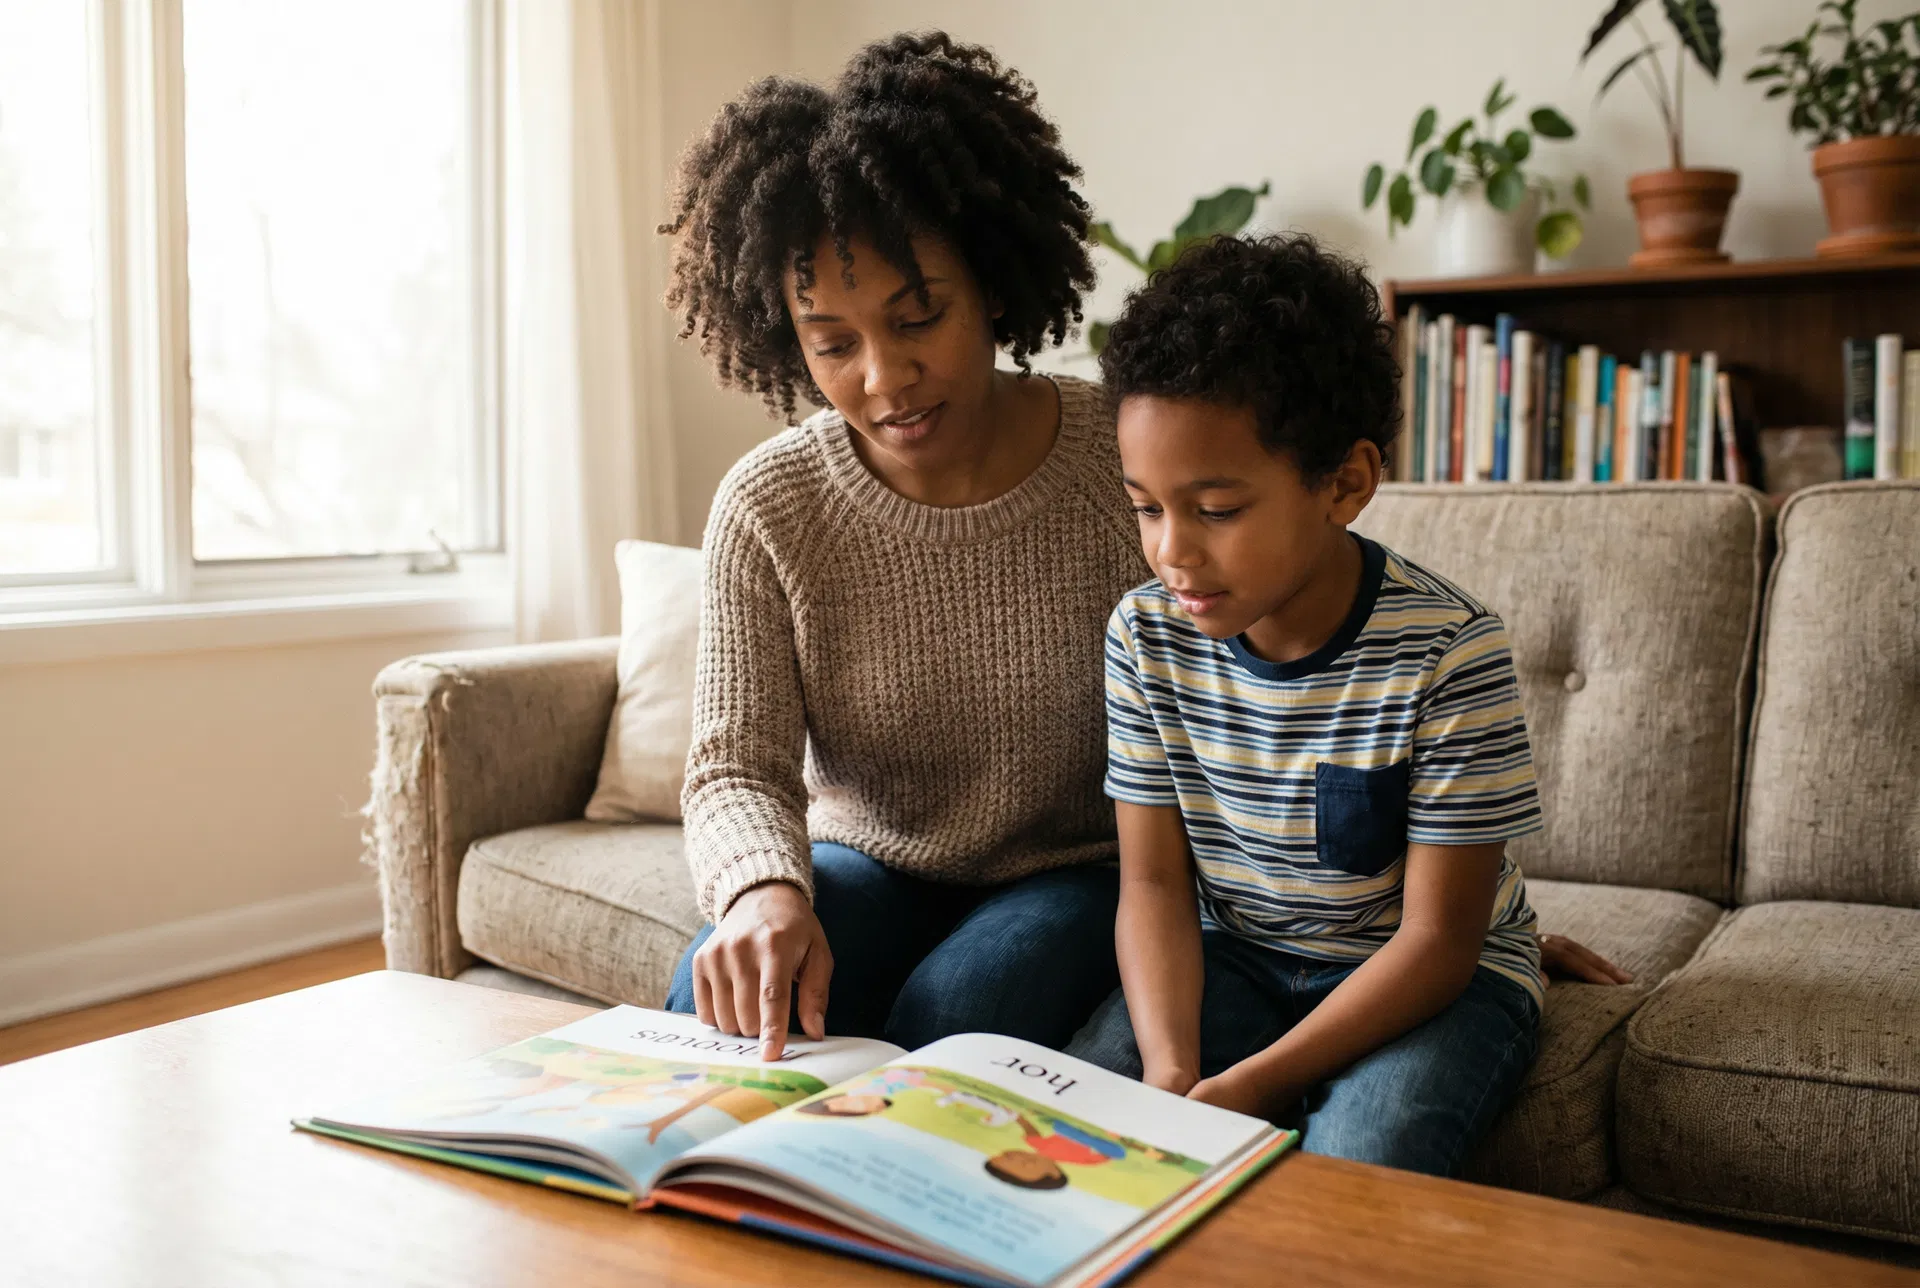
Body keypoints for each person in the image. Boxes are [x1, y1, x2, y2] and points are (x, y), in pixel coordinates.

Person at [655, 32, 1627, 1067]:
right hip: (870, 858)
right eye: (834, 341)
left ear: (992, 279)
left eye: (918, 316)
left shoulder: (1125, 463)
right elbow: (732, 766)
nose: (885, 377)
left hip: (1083, 871)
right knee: (713, 993)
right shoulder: (768, 504)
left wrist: (1466, 930)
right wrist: (761, 889)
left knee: (962, 1005)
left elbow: (1305, 681)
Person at [1065, 233, 1585, 1177]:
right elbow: (1151, 886)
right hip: (1239, 956)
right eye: (1146, 507)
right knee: (1088, 1137)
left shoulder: (1450, 652)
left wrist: (1257, 1085)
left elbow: (1437, 945)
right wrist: (1172, 1066)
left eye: (1216, 509)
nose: (1170, 551)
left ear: (1345, 484)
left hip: (1434, 983)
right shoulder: (1145, 636)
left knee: (1357, 1169)